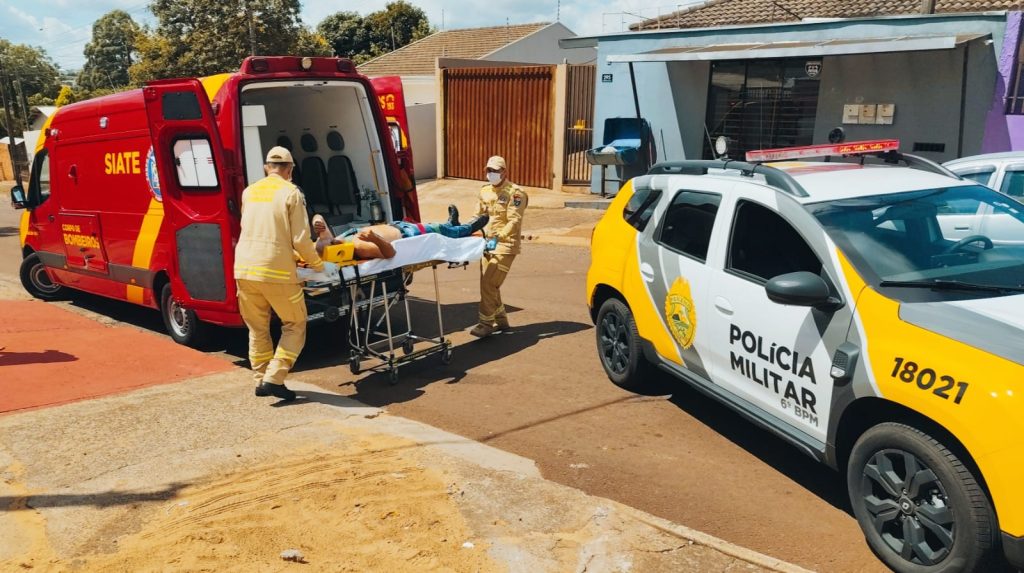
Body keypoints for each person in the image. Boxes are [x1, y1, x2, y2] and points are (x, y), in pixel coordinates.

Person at [234, 146, 324, 402]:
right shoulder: (291, 192)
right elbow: (301, 239)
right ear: (290, 169)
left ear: (267, 168)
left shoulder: (249, 191)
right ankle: (274, 378)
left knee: (257, 328)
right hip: (276, 272)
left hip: (244, 268)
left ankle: (261, 379)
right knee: (295, 324)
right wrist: (317, 265)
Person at [470, 155, 528, 338]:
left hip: (505, 245)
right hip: (486, 244)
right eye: (489, 170)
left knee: (488, 283)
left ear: (504, 172)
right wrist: (466, 230)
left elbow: (514, 221)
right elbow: (477, 216)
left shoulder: (516, 193)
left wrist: (498, 237)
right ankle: (501, 320)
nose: (491, 173)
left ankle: (486, 324)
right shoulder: (485, 191)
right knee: (490, 284)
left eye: (495, 170)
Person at [311, 207, 488, 260]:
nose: (331, 238)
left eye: (327, 237)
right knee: (441, 231)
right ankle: (467, 228)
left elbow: (319, 218)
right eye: (330, 241)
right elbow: (390, 253)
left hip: (398, 225)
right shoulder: (359, 247)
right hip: (407, 234)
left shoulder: (338, 240)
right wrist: (374, 238)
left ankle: (451, 224)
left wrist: (316, 222)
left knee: (434, 226)